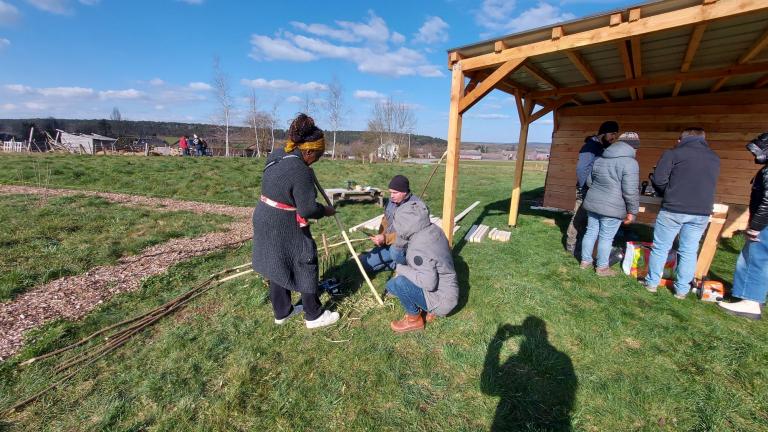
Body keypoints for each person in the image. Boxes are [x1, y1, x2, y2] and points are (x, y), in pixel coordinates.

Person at [251, 113, 340, 329]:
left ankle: (282, 312)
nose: (318, 159)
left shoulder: (279, 154)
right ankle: (314, 315)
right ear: (308, 151)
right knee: (306, 259)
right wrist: (325, 211)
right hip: (283, 224)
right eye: (317, 155)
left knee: (276, 261)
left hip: (264, 216)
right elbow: (308, 209)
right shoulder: (301, 171)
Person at [644, 128, 720, 298]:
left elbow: (658, 179)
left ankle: (652, 283)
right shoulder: (714, 158)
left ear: (681, 139)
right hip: (701, 211)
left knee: (661, 247)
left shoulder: (673, 154)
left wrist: (668, 192)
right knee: (689, 250)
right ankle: (682, 290)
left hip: (673, 208)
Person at [385, 198, 458, 333]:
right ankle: (429, 309)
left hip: (442, 301)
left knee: (399, 283)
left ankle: (414, 319)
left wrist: (400, 268)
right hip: (449, 292)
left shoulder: (417, 250)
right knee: (391, 285)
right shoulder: (433, 229)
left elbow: (429, 283)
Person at [718, 132, 768, 319]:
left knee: (754, 259)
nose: (755, 156)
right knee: (761, 261)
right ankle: (755, 295)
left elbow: (767, 202)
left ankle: (750, 302)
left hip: (765, 225)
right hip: (765, 223)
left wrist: (755, 226)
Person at [580, 132, 640, 276]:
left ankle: (585, 261)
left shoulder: (600, 158)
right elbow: (630, 191)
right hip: (613, 207)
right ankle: (602, 268)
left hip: (593, 202)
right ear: (633, 147)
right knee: (606, 237)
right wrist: (633, 211)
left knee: (591, 231)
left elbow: (589, 181)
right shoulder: (630, 163)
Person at [565, 121, 620, 256]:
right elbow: (582, 168)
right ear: (603, 133)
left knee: (590, 220)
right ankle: (571, 244)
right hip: (585, 189)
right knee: (579, 217)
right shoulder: (590, 147)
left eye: (615, 134)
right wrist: (586, 186)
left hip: (595, 189)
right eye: (612, 134)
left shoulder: (602, 147)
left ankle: (583, 245)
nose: (614, 137)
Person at [359, 175, 420, 274]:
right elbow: (385, 220)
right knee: (365, 264)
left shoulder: (415, 207)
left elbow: (408, 235)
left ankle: (403, 265)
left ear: (404, 192)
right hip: (388, 242)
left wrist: (385, 238)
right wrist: (381, 238)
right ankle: (396, 263)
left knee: (390, 254)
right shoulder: (392, 201)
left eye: (395, 193)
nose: (391, 196)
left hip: (405, 246)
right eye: (390, 192)